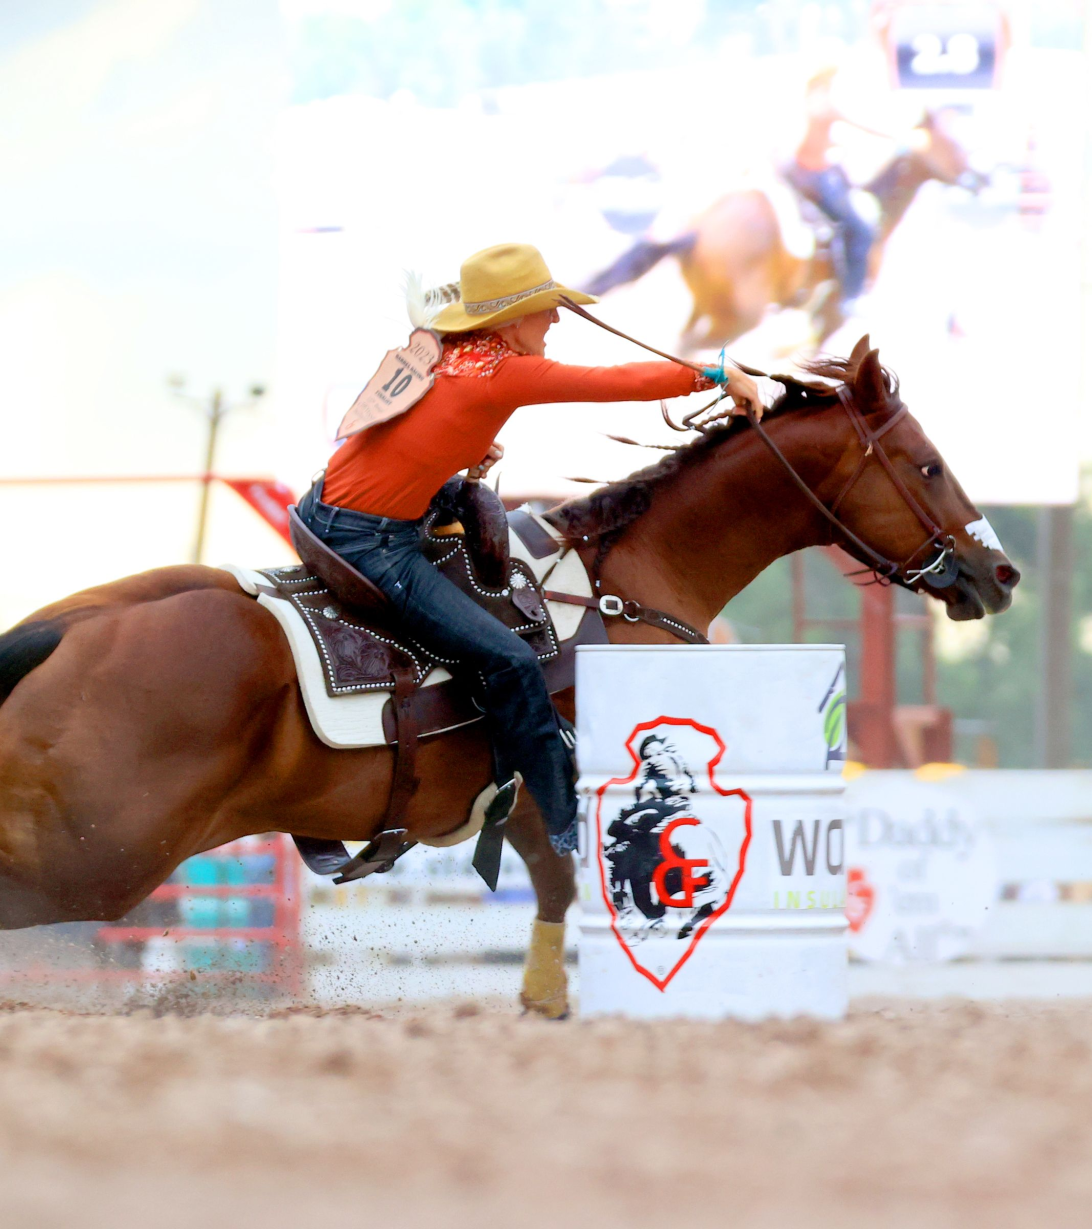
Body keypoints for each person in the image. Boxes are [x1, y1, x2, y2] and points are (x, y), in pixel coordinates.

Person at [302, 243, 760, 855]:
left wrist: (453, 459)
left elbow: (399, 435)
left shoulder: (445, 354)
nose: (557, 320)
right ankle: (564, 816)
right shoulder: (502, 374)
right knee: (510, 661)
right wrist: (715, 372)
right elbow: (611, 384)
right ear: (513, 319)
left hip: (324, 512)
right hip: (372, 542)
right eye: (546, 309)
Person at [785, 66, 891, 315]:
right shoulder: (825, 106)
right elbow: (863, 125)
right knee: (861, 230)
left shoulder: (809, 104)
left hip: (800, 170)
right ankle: (850, 294)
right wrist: (896, 136)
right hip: (815, 174)